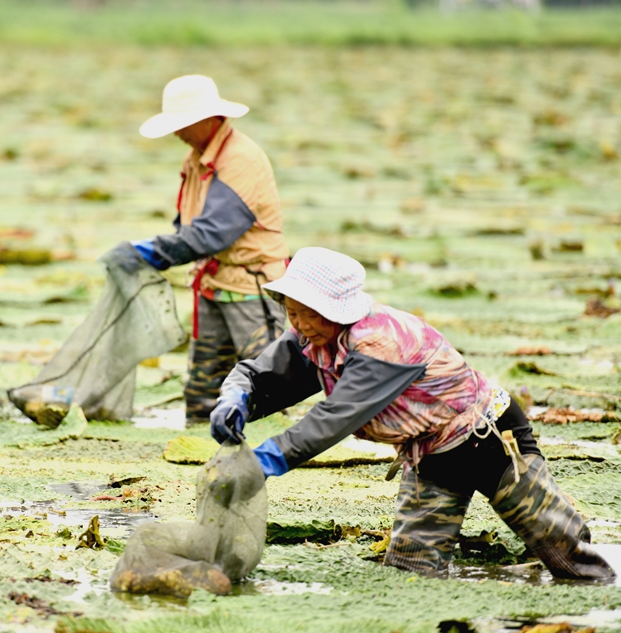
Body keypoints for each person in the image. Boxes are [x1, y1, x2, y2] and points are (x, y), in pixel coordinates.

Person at [209, 246, 614, 579]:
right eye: (291, 312)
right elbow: (261, 375)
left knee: (568, 558)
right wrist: (236, 398)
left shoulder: (380, 344)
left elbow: (335, 417)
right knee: (411, 572)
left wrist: (264, 460)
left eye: (308, 313)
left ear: (336, 309)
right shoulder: (311, 334)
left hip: (489, 442)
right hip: (432, 456)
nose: (298, 324)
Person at [133, 75, 289, 425]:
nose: (177, 133)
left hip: (252, 291)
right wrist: (160, 248)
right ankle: (199, 451)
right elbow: (187, 225)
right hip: (213, 286)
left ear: (207, 120)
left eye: (182, 125)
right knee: (204, 391)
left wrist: (154, 252)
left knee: (265, 387)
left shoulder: (240, 159)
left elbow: (213, 232)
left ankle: (267, 459)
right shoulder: (197, 158)